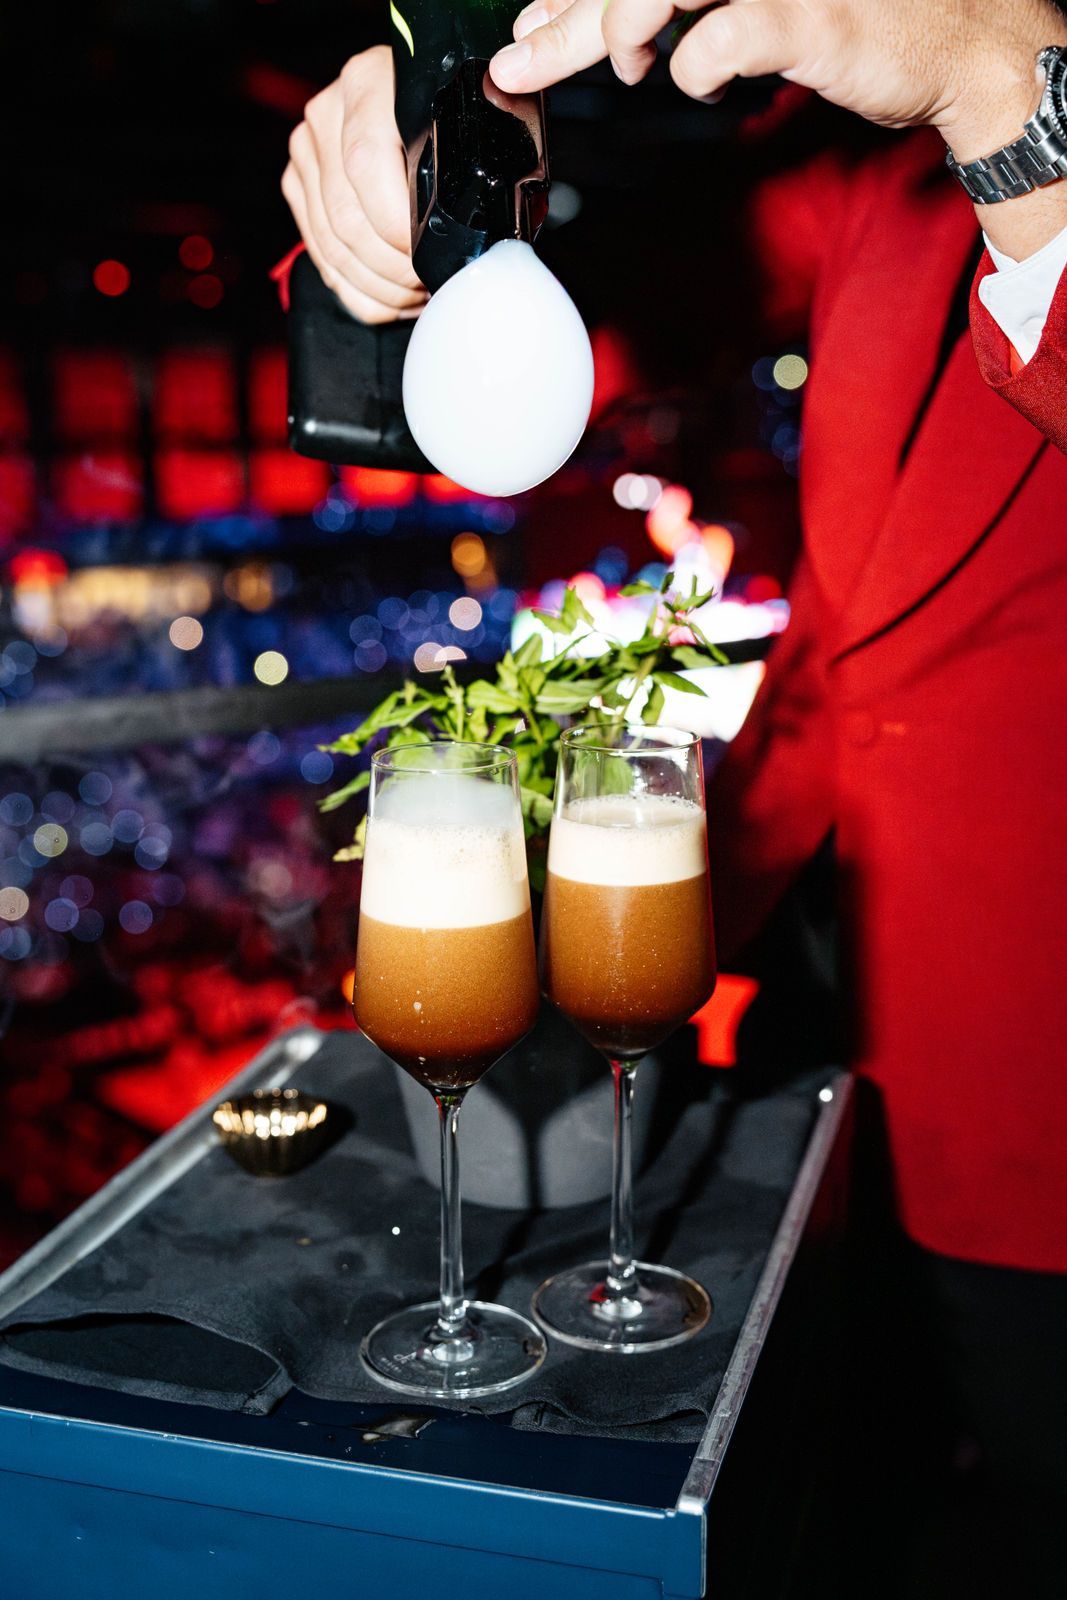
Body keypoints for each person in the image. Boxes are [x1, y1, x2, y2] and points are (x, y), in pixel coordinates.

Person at [281, 1, 1067, 1590]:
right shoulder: (844, 143)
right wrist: (419, 200)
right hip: (814, 1015)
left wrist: (1017, 98)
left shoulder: (962, 52)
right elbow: (610, 321)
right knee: (829, 1515)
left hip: (1033, 1072)